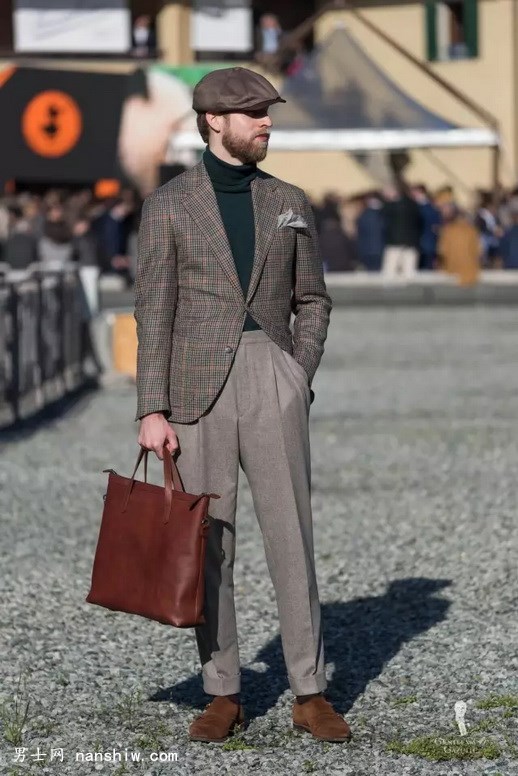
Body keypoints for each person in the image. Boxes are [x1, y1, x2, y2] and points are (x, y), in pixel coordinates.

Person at [134, 66, 350, 745]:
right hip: (194, 391)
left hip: (272, 377)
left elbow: (313, 298)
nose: (266, 121)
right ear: (214, 121)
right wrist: (151, 407)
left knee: (293, 538)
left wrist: (296, 372)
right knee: (209, 545)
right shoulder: (168, 205)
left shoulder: (288, 199)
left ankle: (310, 692)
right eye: (253, 112)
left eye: (266, 111)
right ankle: (222, 692)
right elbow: (154, 311)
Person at [381, 183, 422, 278]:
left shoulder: (390, 206)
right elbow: (419, 223)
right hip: (411, 242)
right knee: (409, 272)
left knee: (390, 271)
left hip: (394, 242)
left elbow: (383, 220)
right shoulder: (414, 205)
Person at [437, 202, 481, 286]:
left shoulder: (447, 231)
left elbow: (442, 251)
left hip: (451, 271)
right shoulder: (472, 231)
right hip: (470, 273)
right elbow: (478, 252)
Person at [411, 184, 441, 271]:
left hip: (425, 244)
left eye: (414, 192)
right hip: (423, 244)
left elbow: (435, 227)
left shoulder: (427, 208)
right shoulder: (430, 207)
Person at [356, 191, 384, 271]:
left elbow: (359, 234)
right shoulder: (383, 214)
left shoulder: (363, 215)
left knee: (370, 272)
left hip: (366, 250)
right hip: (380, 249)